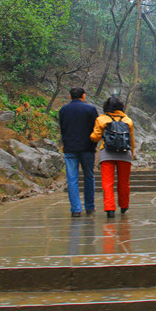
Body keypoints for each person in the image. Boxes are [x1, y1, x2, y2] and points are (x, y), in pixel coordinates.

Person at [90, 96, 135, 219]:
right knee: (124, 182)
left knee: (107, 183)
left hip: (107, 154)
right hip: (125, 154)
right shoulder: (128, 120)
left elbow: (95, 137)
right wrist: (132, 154)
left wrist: (90, 134)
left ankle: (110, 208)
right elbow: (131, 140)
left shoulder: (102, 119)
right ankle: (124, 205)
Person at [59, 87, 98, 217]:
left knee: (72, 179)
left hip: (70, 148)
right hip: (87, 148)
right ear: (83, 96)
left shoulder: (63, 110)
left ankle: (76, 209)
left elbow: (63, 129)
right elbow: (96, 129)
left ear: (70, 97)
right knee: (89, 177)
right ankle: (90, 207)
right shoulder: (90, 109)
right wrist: (93, 145)